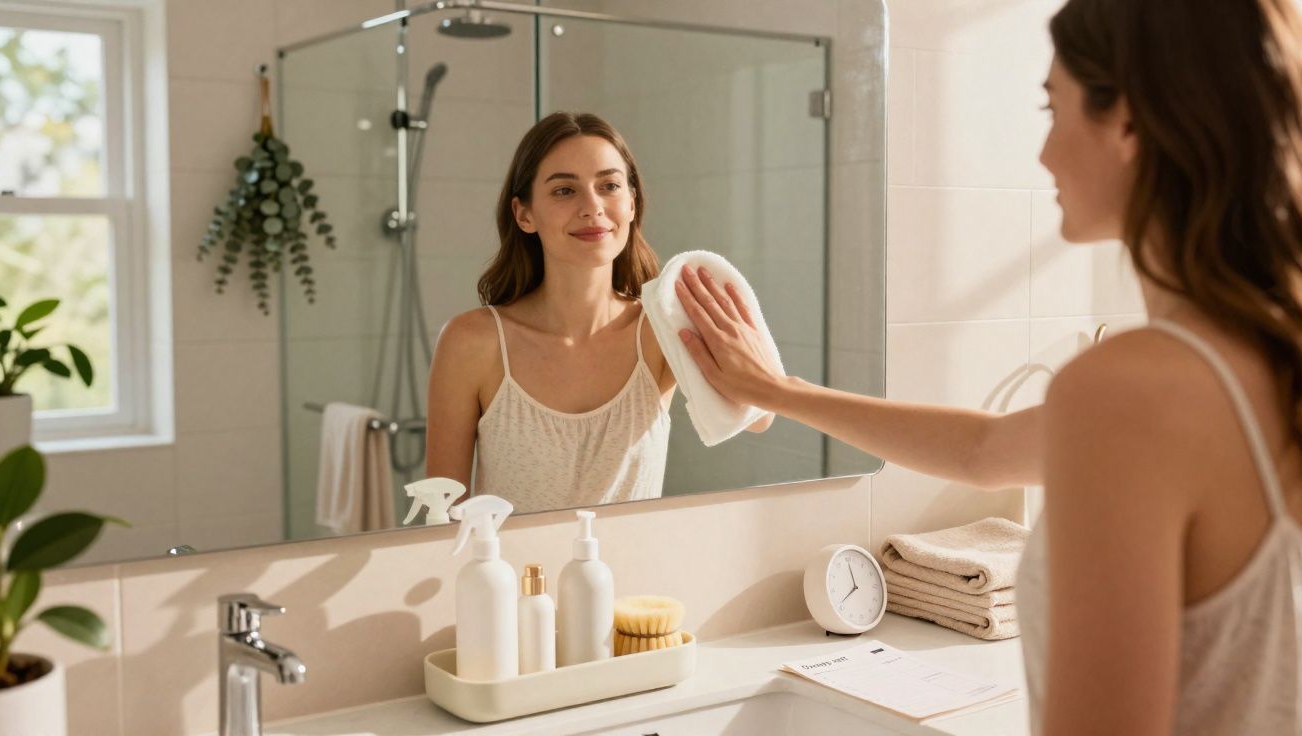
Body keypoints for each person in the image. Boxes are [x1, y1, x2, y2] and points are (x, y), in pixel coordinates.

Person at [675, 0, 1302, 733]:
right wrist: (778, 390)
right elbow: (984, 450)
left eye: (1052, 106)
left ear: (1128, 122)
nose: (1042, 153)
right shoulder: (1258, 360)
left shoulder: (1126, 392)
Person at [426, 111, 770, 514]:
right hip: (513, 578)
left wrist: (731, 325)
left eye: (609, 186)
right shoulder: (473, 343)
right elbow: (441, 516)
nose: (593, 207)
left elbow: (757, 416)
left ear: (631, 202)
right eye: (564, 191)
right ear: (524, 214)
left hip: (635, 575)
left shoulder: (659, 330)